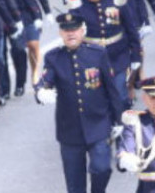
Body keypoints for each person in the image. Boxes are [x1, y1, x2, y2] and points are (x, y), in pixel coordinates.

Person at [34, 13, 125, 193]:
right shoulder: (54, 57)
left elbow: (111, 90)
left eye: (74, 29)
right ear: (60, 32)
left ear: (83, 30)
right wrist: (41, 92)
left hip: (98, 123)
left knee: (102, 168)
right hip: (69, 129)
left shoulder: (98, 54)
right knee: (75, 186)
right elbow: (45, 80)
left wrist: (119, 120)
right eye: (66, 30)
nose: (71, 34)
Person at [68, 0, 142, 107]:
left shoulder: (116, 0)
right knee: (95, 96)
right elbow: (71, 36)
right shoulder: (78, 5)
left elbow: (131, 29)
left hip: (117, 56)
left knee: (119, 93)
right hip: (91, 58)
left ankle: (121, 124)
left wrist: (136, 56)